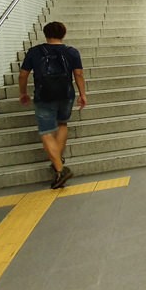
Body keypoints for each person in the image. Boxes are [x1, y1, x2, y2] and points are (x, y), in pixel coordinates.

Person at [18, 21, 86, 189]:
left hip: (44, 96)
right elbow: (78, 74)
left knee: (47, 132)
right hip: (66, 94)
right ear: (63, 34)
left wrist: (23, 92)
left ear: (46, 34)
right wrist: (83, 94)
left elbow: (22, 75)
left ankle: (60, 169)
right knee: (62, 124)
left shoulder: (35, 52)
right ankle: (58, 162)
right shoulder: (71, 52)